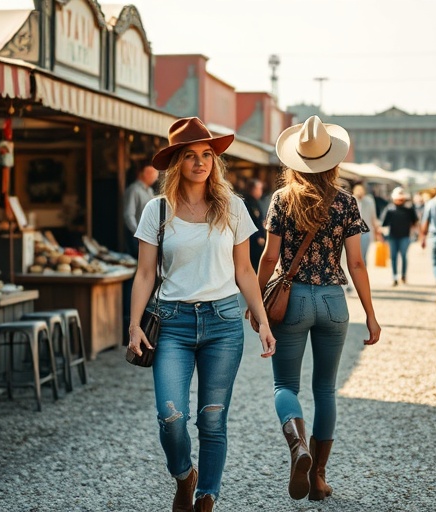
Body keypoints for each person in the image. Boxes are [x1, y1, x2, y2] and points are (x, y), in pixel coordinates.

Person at [127, 117, 277, 512]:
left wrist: (261, 321)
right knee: (171, 416)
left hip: (224, 323)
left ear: (215, 160)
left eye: (207, 154)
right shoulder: (157, 210)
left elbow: (244, 270)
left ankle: (207, 495)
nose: (200, 162)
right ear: (177, 162)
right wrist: (132, 326)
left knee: (212, 420)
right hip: (172, 323)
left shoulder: (233, 207)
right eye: (190, 155)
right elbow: (144, 273)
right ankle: (184, 475)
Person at [257, 116, 380, 502]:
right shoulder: (346, 202)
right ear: (334, 161)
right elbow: (356, 263)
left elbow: (270, 255)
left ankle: (298, 448)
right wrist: (371, 315)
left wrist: (258, 302)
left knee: (284, 385)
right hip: (332, 300)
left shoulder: (282, 199)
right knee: (325, 388)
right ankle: (320, 478)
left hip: (290, 302)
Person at [379, 186, 418, 286]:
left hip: (405, 236)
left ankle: (403, 275)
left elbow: (415, 222)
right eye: (398, 199)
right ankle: (395, 277)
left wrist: (415, 233)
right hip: (392, 237)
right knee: (393, 257)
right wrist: (381, 234)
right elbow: (383, 223)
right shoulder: (390, 209)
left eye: (401, 199)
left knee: (404, 256)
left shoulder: (409, 209)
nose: (399, 200)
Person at [122, 162, 159, 257]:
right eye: (151, 173)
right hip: (137, 237)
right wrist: (137, 233)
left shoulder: (150, 191)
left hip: (150, 236)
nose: (155, 176)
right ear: (142, 173)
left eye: (156, 173)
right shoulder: (134, 190)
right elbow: (128, 214)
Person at [351, 183, 380, 265]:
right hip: (352, 233)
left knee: (363, 257)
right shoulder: (351, 200)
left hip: (365, 233)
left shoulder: (369, 201)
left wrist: (377, 231)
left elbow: (373, 217)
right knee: (353, 257)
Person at [244, 179, 267, 270]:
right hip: (252, 241)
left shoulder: (255, 202)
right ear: (253, 189)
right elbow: (249, 222)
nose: (260, 192)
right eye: (259, 189)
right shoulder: (247, 202)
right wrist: (258, 236)